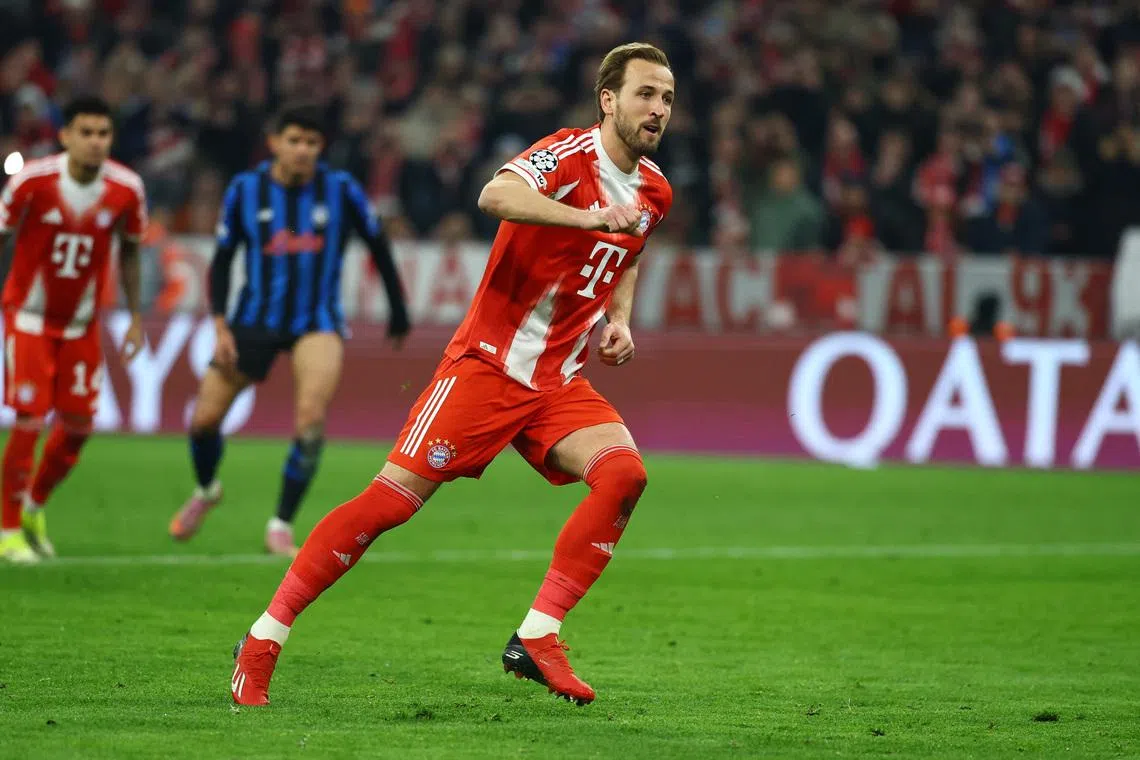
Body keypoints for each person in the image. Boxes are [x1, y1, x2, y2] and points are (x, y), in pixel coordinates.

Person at [230, 42, 674, 707]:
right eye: (645, 93)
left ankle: (538, 635)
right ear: (608, 99)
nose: (658, 109)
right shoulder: (565, 155)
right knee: (388, 505)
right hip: (487, 368)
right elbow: (495, 193)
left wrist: (621, 319)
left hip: (556, 382)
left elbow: (631, 247)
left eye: (667, 98)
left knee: (625, 475)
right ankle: (263, 639)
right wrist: (585, 217)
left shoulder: (655, 189)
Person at [168, 106, 411, 556]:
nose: (303, 151)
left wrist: (398, 309)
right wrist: (220, 324)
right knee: (203, 422)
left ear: (321, 149)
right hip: (252, 320)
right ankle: (206, 491)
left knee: (311, 421)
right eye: (295, 141)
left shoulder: (340, 190)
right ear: (275, 142)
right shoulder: (246, 190)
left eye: (312, 143)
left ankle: (280, 523)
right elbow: (222, 261)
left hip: (316, 322)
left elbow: (378, 242)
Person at [0, 96, 147, 564]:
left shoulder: (127, 190)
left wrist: (136, 314)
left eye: (103, 133)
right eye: (85, 132)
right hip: (28, 318)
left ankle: (33, 506)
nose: (95, 142)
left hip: (82, 325)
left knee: (80, 426)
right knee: (28, 419)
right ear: (65, 136)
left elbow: (130, 250)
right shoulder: (32, 182)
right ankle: (6, 531)